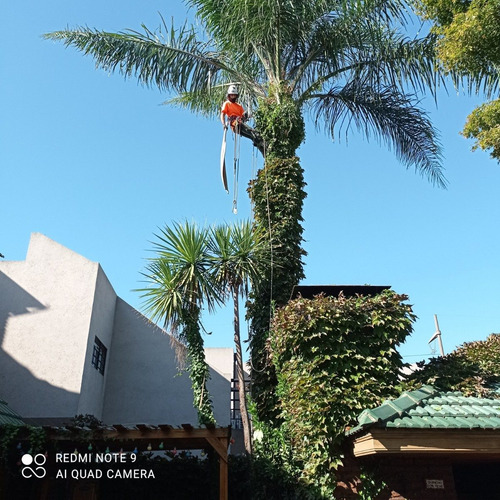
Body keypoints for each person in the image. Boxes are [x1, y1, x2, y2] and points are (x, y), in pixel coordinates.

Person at [220, 85, 264, 155]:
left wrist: (246, 116)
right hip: (235, 124)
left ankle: (262, 148)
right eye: (231, 95)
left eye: (234, 95)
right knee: (252, 132)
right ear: (229, 95)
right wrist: (223, 124)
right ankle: (259, 140)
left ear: (236, 96)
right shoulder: (227, 104)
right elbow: (222, 114)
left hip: (240, 123)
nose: (233, 97)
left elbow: (243, 116)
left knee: (253, 136)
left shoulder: (239, 106)